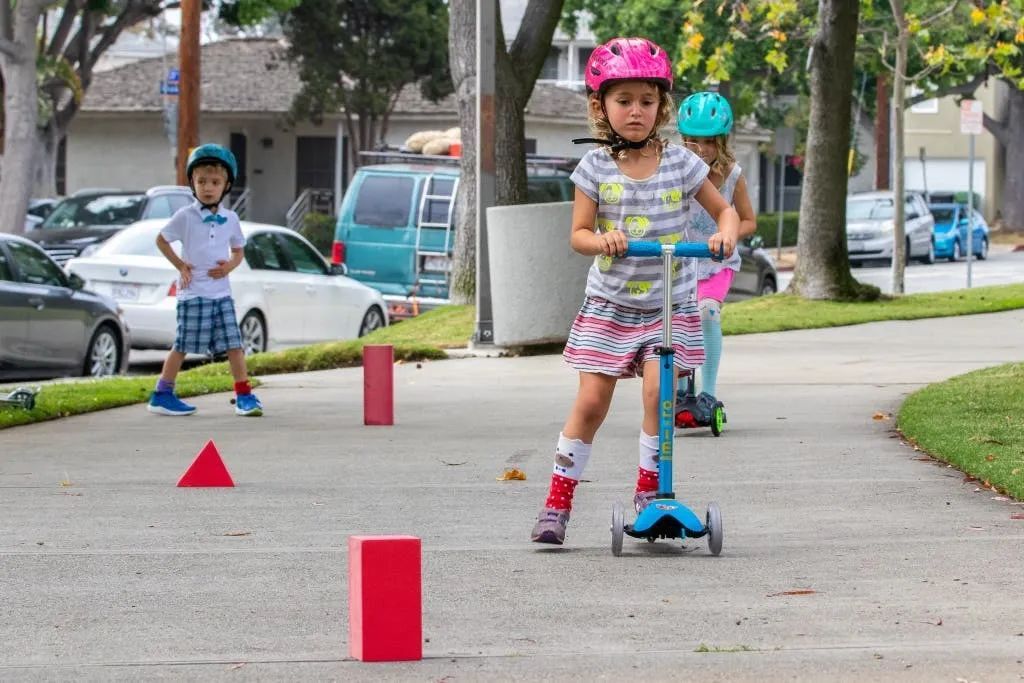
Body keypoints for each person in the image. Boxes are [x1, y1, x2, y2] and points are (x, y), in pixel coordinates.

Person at [531, 37, 740, 545]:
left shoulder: (683, 164)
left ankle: (651, 494)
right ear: (601, 106)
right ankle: (557, 503)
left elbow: (725, 211)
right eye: (623, 101)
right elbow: (579, 235)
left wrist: (724, 234)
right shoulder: (596, 167)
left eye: (647, 101)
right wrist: (602, 238)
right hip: (611, 305)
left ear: (660, 106)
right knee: (591, 402)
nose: (636, 111)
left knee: (658, 396)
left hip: (667, 307)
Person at [147, 143, 263, 417]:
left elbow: (238, 251)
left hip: (221, 293)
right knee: (184, 344)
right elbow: (162, 240)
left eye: (215, 182)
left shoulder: (231, 218)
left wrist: (229, 267)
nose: (208, 187)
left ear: (225, 185)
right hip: (194, 293)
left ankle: (244, 395)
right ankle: (162, 394)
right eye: (201, 181)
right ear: (192, 183)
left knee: (235, 345)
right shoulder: (185, 216)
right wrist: (181, 265)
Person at [675, 92, 757, 424]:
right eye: (692, 141)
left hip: (715, 264)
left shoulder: (733, 175)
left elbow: (749, 219)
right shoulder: (675, 173)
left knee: (708, 313)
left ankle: (707, 393)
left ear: (721, 141)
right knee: (677, 323)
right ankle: (680, 391)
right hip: (680, 263)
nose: (700, 148)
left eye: (708, 141)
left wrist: (728, 236)